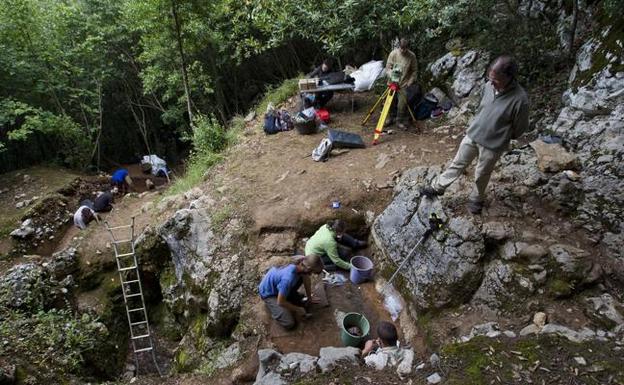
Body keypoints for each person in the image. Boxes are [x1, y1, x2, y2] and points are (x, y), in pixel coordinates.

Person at [420, 55, 529, 214]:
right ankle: (438, 187)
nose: (491, 82)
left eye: (496, 80)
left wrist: (501, 136)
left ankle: (476, 199)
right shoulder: (488, 86)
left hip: (493, 145)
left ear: (509, 77)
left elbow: (520, 127)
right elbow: (481, 108)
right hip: (473, 134)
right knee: (457, 163)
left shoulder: (520, 100)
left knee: (482, 173)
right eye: (490, 78)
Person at [258, 255, 324, 330]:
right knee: (289, 323)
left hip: (278, 285)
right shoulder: (288, 278)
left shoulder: (302, 261)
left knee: (299, 294)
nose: (311, 274)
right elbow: (280, 302)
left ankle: (286, 295)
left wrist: (310, 298)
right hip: (268, 294)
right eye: (312, 272)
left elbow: (306, 279)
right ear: (308, 269)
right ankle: (272, 307)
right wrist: (298, 309)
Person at [385, 38, 418, 129]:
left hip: (403, 84)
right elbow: (388, 68)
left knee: (402, 103)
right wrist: (392, 75)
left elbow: (414, 71)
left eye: (405, 49)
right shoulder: (393, 54)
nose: (403, 50)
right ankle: (390, 118)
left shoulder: (412, 56)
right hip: (392, 82)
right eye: (401, 48)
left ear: (408, 48)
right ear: (399, 46)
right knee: (390, 102)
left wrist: (410, 81)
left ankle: (399, 120)